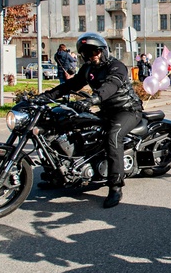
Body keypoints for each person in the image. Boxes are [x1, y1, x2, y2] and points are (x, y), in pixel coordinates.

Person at [41, 33, 144, 209]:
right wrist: (46, 96)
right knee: (76, 128)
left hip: (127, 110)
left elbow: (111, 85)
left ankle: (115, 187)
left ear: (103, 50)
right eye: (88, 53)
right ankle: (58, 174)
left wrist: (92, 100)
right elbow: (71, 85)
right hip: (106, 110)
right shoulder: (88, 69)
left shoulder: (117, 66)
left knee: (113, 136)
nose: (92, 55)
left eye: (95, 51)